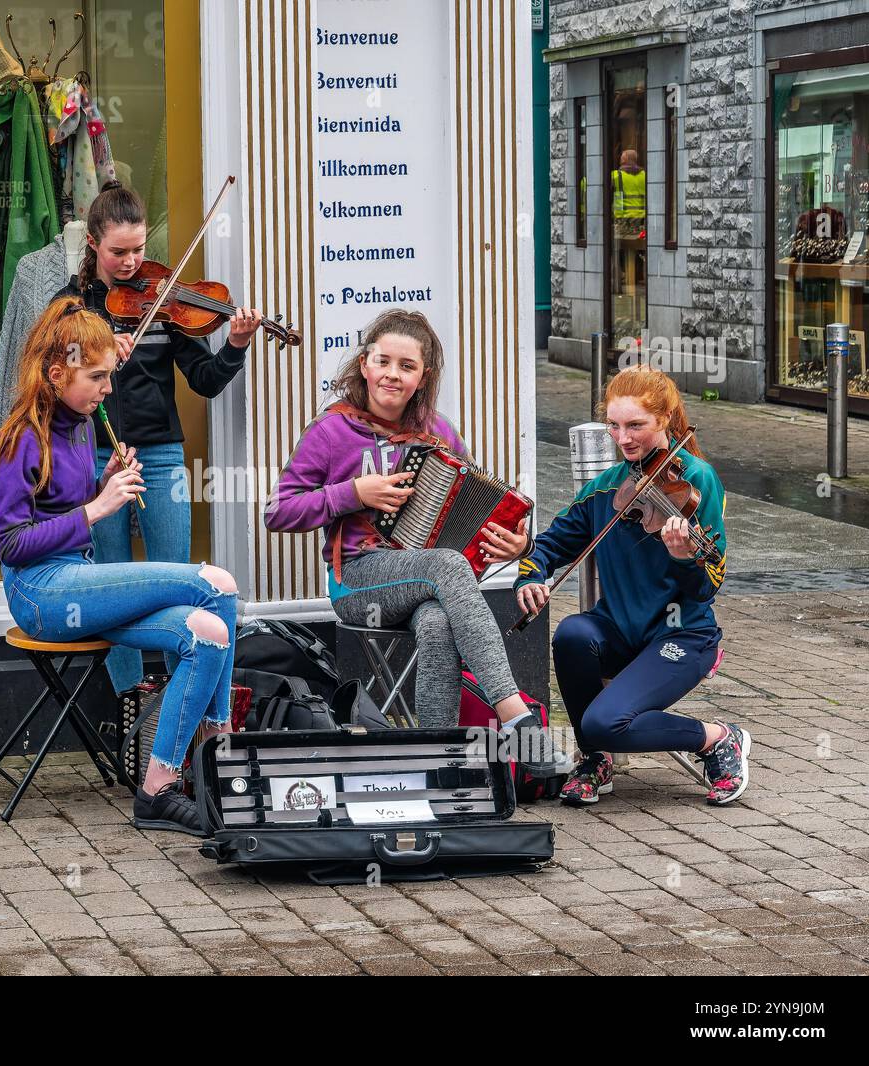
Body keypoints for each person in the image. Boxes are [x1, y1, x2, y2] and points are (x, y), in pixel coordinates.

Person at [264, 309, 559, 776]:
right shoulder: (332, 431)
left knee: (441, 619)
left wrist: (518, 546)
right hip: (359, 581)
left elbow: (481, 508)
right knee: (444, 567)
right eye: (383, 361)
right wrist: (352, 494)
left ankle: (437, 762)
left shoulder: (437, 432)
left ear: (423, 377)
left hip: (425, 583)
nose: (392, 375)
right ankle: (517, 719)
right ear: (364, 364)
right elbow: (277, 513)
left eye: (407, 366)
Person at [0, 296, 237, 836]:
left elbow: (66, 506)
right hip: (42, 595)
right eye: (97, 377)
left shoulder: (80, 425)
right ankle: (221, 760)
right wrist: (97, 509)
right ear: (57, 374)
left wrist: (107, 485)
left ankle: (160, 787)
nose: (107, 390)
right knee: (216, 583)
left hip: (81, 584)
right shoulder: (20, 438)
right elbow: (9, 545)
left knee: (210, 631)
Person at [50, 181, 263, 696]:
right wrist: (96, 349)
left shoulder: (164, 302)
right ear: (94, 244)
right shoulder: (71, 304)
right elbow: (51, 371)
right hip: (95, 455)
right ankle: (130, 705)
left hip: (161, 455)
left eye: (139, 249)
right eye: (118, 251)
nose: (130, 262)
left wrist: (234, 345)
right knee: (110, 581)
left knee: (175, 579)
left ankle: (177, 695)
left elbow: (206, 380)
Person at [514, 364, 749, 807]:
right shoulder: (605, 488)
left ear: (664, 420)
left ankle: (718, 738)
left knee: (604, 722)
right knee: (572, 633)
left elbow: (707, 586)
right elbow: (550, 544)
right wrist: (532, 575)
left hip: (682, 635)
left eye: (636, 425)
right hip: (620, 632)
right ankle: (596, 760)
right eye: (614, 426)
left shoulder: (696, 480)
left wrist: (683, 557)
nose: (623, 439)